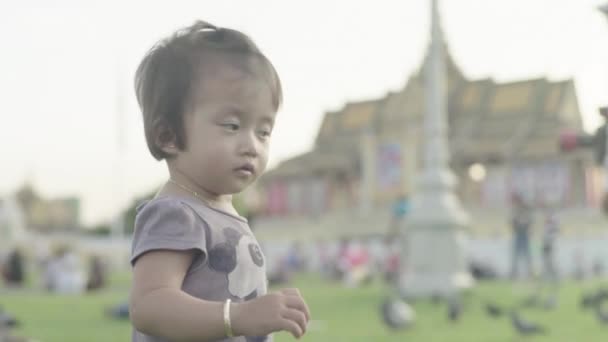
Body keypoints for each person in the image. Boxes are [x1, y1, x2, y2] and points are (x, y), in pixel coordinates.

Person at [129, 21, 310, 342]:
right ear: (168, 136)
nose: (251, 145)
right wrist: (239, 316)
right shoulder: (175, 212)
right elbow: (149, 305)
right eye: (231, 125)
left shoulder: (220, 211)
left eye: (263, 132)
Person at [509, 194, 534, 280]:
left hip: (524, 234)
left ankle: (530, 273)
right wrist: (516, 225)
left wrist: (525, 225)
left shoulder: (526, 210)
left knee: (527, 255)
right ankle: (514, 273)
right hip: (519, 234)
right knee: (516, 255)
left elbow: (530, 221)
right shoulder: (516, 211)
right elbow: (512, 222)